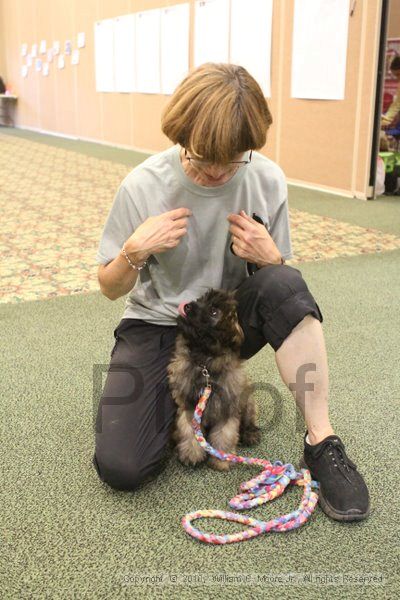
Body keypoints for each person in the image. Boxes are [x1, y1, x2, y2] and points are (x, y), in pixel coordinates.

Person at [93, 63, 370, 522]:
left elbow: (281, 291)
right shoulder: (143, 184)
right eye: (204, 158)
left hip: (228, 321)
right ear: (182, 137)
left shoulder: (267, 178)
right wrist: (134, 251)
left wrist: (271, 257)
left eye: (235, 158)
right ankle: (178, 406)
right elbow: (108, 286)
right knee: (122, 467)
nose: (220, 172)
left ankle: (322, 441)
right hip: (159, 322)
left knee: (285, 281)